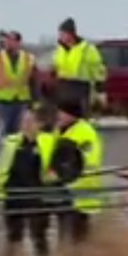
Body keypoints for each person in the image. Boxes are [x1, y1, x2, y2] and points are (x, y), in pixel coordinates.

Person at [0, 107, 56, 256]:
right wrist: (0, 191)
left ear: (40, 124)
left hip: (37, 197)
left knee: (39, 235)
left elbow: (57, 168)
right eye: (23, 121)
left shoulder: (49, 142)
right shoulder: (11, 142)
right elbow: (0, 168)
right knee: (13, 236)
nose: (25, 125)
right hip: (13, 195)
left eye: (30, 121)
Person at [48, 98, 105, 245]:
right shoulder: (60, 129)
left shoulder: (85, 132)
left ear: (71, 115)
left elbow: (88, 161)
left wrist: (67, 173)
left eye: (61, 112)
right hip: (64, 189)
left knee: (78, 235)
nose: (58, 115)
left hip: (80, 191)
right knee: (64, 232)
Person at [0, 30, 38, 140]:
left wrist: (36, 103)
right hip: (2, 102)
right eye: (6, 40)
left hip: (22, 102)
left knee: (20, 136)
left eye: (11, 40)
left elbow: (34, 82)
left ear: (18, 43)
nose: (7, 43)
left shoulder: (29, 59)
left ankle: (16, 157)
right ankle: (2, 156)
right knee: (2, 136)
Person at [49, 18, 106, 121]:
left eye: (62, 34)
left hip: (80, 88)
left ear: (70, 34)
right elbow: (55, 66)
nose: (60, 37)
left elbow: (98, 70)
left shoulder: (87, 49)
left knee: (80, 120)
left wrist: (100, 89)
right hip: (64, 88)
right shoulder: (60, 50)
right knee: (64, 120)